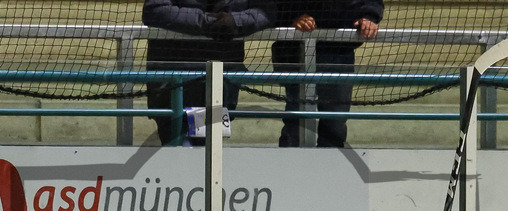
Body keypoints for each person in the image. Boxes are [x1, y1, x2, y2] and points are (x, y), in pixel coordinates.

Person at [143, 0, 275, 145]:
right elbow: (154, 10)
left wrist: (235, 21)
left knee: (208, 147)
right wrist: (208, 23)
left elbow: (267, 12)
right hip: (173, 86)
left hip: (219, 87)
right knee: (179, 146)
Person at [272, 0, 383, 148]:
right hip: (294, 51)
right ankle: (291, 166)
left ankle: (331, 166)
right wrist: (291, 18)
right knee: (296, 121)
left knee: (335, 121)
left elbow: (372, 2)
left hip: (339, 52)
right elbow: (270, 6)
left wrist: (369, 17)